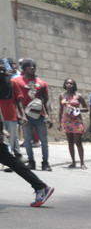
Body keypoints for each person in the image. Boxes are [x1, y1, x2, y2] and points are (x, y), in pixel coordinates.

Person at [1, 61, 54, 205]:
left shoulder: (12, 83)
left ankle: (41, 186)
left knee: (12, 159)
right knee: (11, 160)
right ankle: (40, 187)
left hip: (17, 118)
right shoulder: (10, 81)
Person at [11, 58, 52, 171]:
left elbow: (46, 99)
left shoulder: (41, 82)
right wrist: (20, 115)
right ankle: (31, 161)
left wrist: (49, 116)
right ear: (24, 68)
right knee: (27, 140)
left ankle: (45, 162)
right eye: (29, 65)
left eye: (34, 65)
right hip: (25, 114)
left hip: (39, 115)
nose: (32, 67)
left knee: (44, 140)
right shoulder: (17, 81)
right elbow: (15, 99)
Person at [57, 78, 88, 168]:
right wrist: (59, 123)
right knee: (70, 142)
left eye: (71, 83)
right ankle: (73, 162)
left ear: (74, 85)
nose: (69, 85)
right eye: (67, 83)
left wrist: (76, 109)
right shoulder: (62, 96)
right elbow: (60, 110)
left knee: (78, 142)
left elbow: (86, 108)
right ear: (64, 85)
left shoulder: (78, 96)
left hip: (76, 121)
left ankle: (82, 162)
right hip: (67, 121)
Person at [1, 57, 23, 169]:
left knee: (10, 139)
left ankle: (8, 163)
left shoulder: (13, 82)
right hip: (2, 116)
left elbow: (18, 100)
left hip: (10, 114)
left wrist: (21, 114)